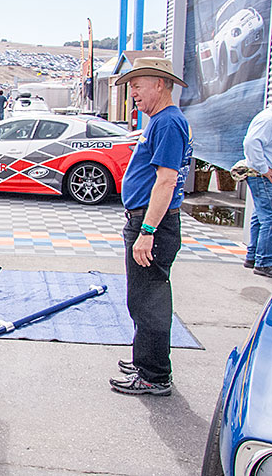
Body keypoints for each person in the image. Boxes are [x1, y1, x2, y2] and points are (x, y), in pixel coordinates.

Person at [109, 57, 192, 396]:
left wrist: (147, 232)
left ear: (160, 83)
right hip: (149, 221)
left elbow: (166, 181)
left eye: (138, 85)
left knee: (149, 300)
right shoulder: (161, 121)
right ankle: (145, 359)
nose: (133, 94)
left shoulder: (168, 122)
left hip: (153, 225)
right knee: (142, 297)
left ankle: (154, 375)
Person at [243, 107, 272, 277]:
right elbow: (251, 142)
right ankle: (265, 262)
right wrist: (264, 169)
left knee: (260, 215)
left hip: (259, 174)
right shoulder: (269, 119)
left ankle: (253, 256)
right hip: (262, 175)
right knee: (269, 217)